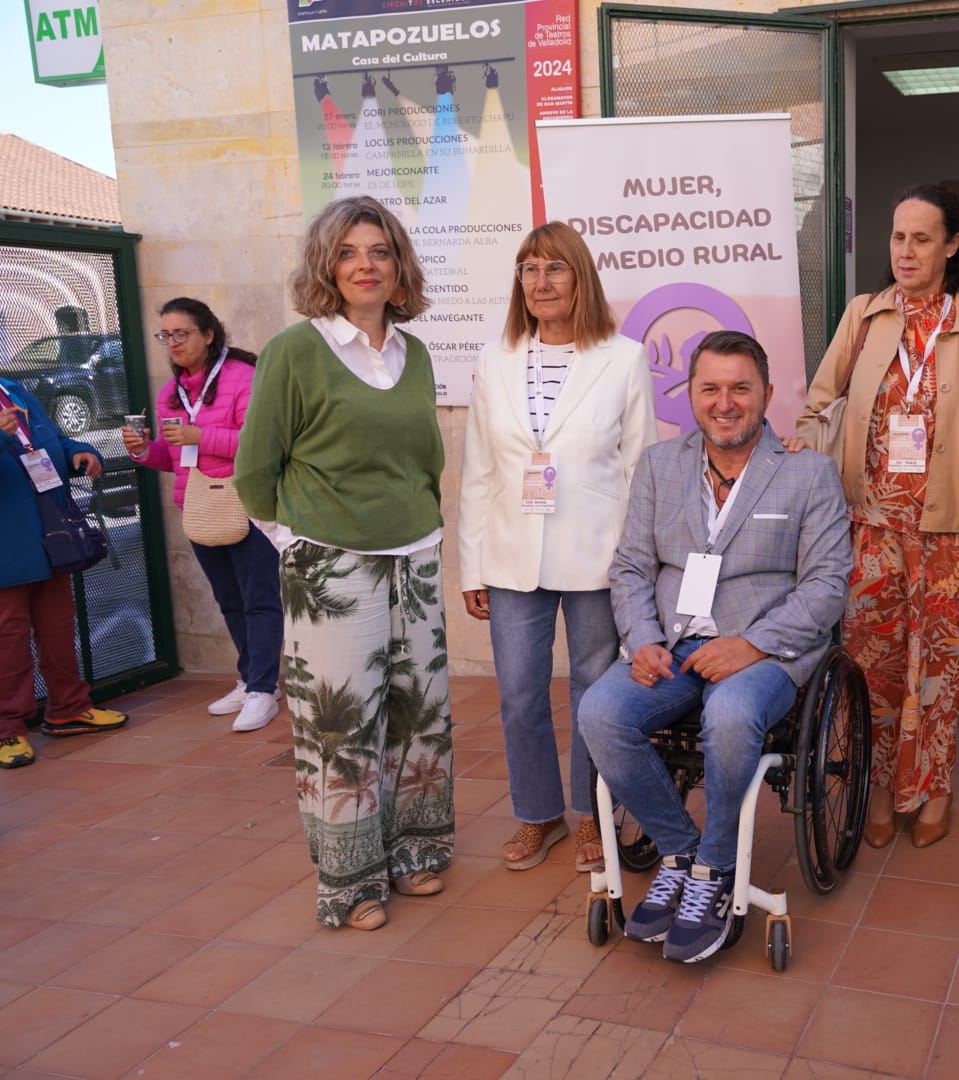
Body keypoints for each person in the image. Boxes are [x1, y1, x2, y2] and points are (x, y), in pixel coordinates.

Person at [576, 330, 850, 965]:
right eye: (710, 389)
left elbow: (827, 585)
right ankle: (679, 849)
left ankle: (716, 869)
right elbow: (632, 568)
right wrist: (641, 639)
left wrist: (751, 644)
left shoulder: (808, 473)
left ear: (766, 395)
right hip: (671, 648)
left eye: (740, 389)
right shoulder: (659, 465)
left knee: (730, 716)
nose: (725, 403)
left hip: (767, 654)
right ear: (690, 395)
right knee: (600, 714)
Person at [235, 196, 453, 931]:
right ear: (328, 265)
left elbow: (427, 459)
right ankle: (351, 881)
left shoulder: (413, 353)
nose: (367, 264)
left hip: (415, 558)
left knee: (419, 716)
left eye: (381, 251)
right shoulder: (295, 352)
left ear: (399, 268)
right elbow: (254, 470)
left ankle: (414, 850)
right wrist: (298, 544)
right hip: (331, 567)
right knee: (340, 727)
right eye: (351, 251)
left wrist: (423, 532)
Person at [797, 184, 959, 849]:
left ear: (952, 245)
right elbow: (818, 406)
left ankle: (933, 787)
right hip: (871, 528)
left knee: (940, 669)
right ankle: (878, 782)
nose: (907, 251)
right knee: (873, 664)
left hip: (952, 531)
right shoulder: (863, 316)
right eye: (898, 237)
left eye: (923, 238)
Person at [460, 222, 657, 874]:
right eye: (528, 270)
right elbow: (480, 471)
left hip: (599, 558)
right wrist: (472, 564)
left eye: (555, 269)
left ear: (580, 278)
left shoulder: (623, 359)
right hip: (513, 555)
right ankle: (537, 812)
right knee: (519, 693)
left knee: (596, 696)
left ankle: (593, 817)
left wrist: (640, 568)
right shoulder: (495, 361)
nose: (540, 282)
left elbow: (640, 471)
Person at [123, 298, 283, 733]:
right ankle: (251, 678)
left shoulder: (243, 377)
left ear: (208, 334)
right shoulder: (169, 393)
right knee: (230, 600)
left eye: (182, 334)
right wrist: (144, 451)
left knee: (260, 600)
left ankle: (264, 689)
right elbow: (176, 459)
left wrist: (200, 434)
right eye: (165, 335)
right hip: (200, 507)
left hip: (246, 505)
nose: (172, 343)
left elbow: (260, 445)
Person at [0, 378, 126, 767]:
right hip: (6, 540)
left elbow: (49, 438)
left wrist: (79, 452)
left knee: (58, 624)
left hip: (47, 534)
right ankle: (7, 730)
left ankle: (68, 708)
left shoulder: (13, 388)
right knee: (8, 636)